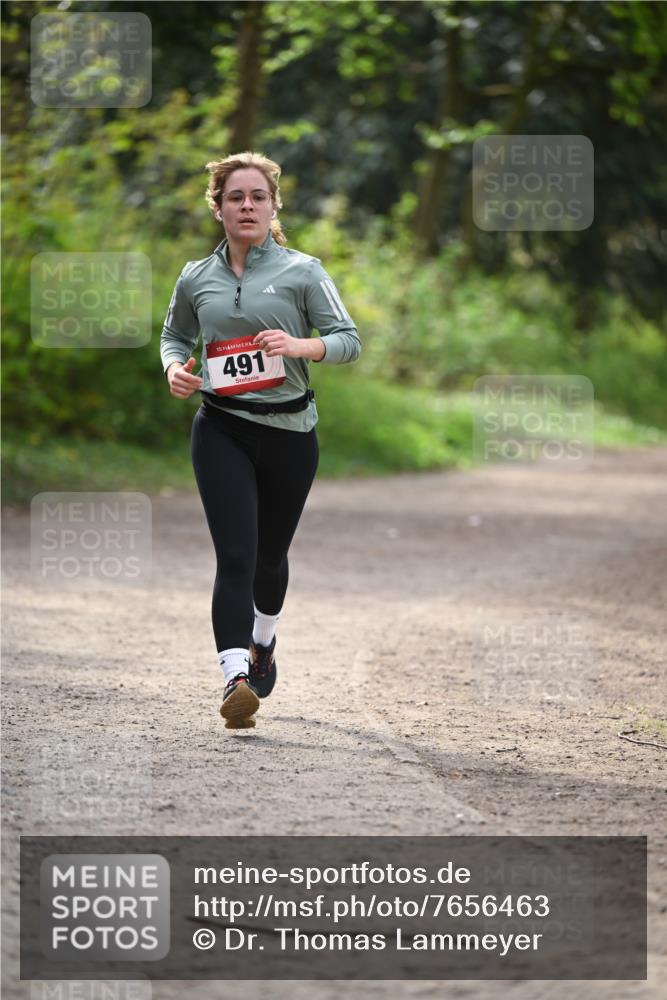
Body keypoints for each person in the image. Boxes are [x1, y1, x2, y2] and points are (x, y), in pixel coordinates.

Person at [160, 151, 361, 729]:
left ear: (273, 206)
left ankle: (263, 641)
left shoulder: (303, 271)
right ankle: (234, 679)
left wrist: (301, 346)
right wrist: (174, 367)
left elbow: (348, 339)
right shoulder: (196, 277)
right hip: (221, 427)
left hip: (291, 433)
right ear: (218, 208)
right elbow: (174, 335)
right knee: (237, 557)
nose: (246, 206)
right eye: (234, 198)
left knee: (270, 559)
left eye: (257, 197)